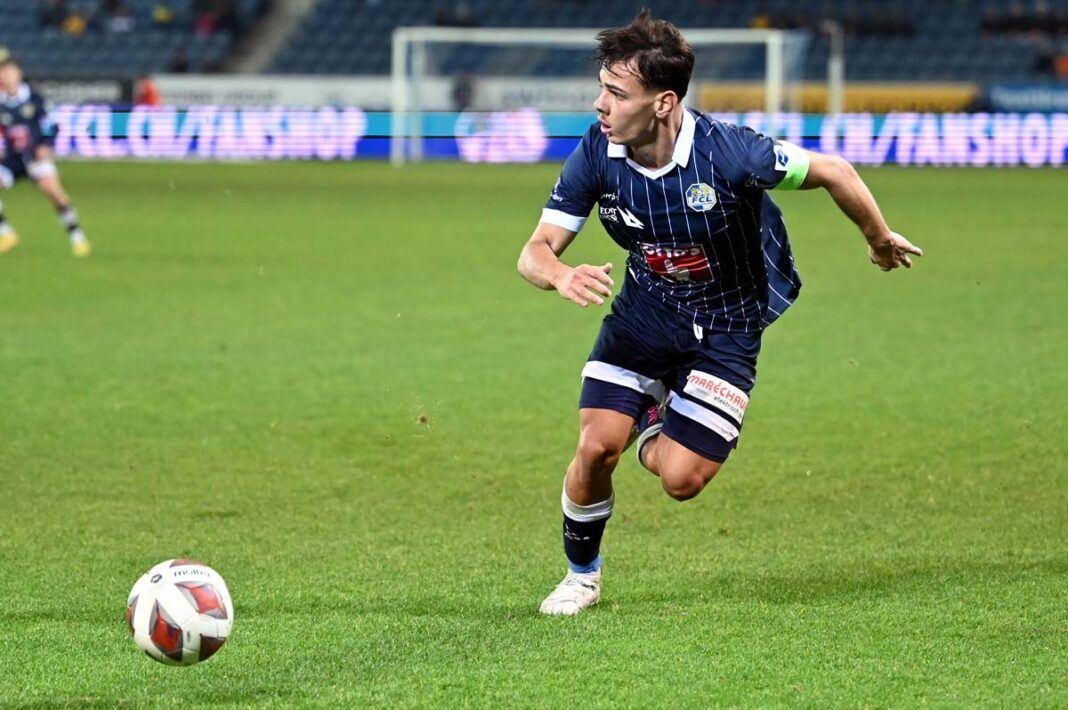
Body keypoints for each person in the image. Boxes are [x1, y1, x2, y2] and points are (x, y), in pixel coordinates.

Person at [516, 9, 922, 616]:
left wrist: (879, 238)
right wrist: (559, 273)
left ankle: (652, 416)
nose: (601, 104)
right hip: (645, 316)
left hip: (728, 328)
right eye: (602, 87)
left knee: (681, 480)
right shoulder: (598, 152)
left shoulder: (731, 154)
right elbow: (533, 252)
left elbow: (834, 170)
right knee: (597, 448)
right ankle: (581, 577)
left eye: (617, 93)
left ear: (663, 103)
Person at [0, 51, 91, 256]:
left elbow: (53, 124)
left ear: (19, 73)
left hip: (35, 156)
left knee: (54, 192)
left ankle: (77, 237)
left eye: (10, 71)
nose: (7, 76)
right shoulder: (1, 103)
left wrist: (46, 145)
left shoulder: (35, 98)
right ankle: (6, 234)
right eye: (3, 72)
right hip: (13, 158)